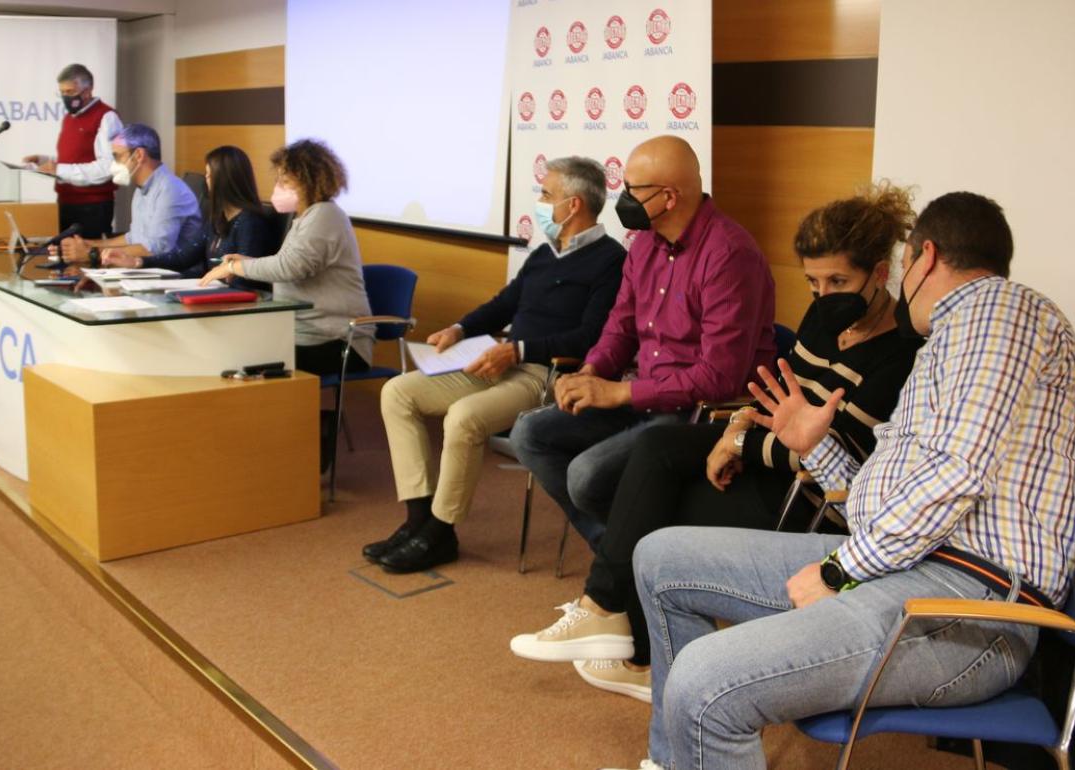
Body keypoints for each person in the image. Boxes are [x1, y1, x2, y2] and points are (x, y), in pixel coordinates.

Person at [606, 191, 1075, 770]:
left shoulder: (994, 311)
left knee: (706, 681)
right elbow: (890, 501)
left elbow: (956, 475)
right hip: (913, 568)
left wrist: (842, 571)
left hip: (968, 608)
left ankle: (698, 741)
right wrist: (818, 447)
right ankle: (679, 759)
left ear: (924, 257)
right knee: (661, 558)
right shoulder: (951, 343)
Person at [510, 185, 925, 703]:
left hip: (808, 497)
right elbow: (775, 394)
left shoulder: (902, 355)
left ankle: (638, 649)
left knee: (650, 519)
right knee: (655, 449)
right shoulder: (825, 315)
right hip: (769, 453)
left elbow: (830, 453)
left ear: (879, 274)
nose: (823, 295)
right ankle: (607, 613)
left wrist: (740, 446)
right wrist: (734, 431)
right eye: (814, 282)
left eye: (838, 280)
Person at [509, 135, 776, 551]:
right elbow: (622, 323)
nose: (624, 198)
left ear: (669, 197)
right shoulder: (644, 243)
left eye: (633, 190)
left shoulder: (729, 254)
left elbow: (718, 377)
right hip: (640, 397)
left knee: (586, 476)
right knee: (529, 432)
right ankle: (619, 551)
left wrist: (617, 392)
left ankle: (625, 558)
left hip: (697, 413)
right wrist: (592, 371)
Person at [368, 156, 627, 574]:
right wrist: (458, 328)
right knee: (398, 392)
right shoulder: (545, 254)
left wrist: (519, 350)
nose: (540, 202)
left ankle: (440, 530)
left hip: (549, 374)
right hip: (500, 363)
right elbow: (504, 303)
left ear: (574, 205)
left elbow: (592, 338)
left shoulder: (611, 261)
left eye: (547, 194)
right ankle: (417, 520)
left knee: (464, 417)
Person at [199, 138, 372, 378]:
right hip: (300, 333)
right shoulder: (306, 218)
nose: (279, 186)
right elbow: (291, 263)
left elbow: (289, 268)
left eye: (286, 180)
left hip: (336, 341)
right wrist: (245, 262)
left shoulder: (325, 215)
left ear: (309, 182)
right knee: (233, 347)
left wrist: (236, 266)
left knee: (243, 355)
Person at [107, 145, 282, 279]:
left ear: (224, 179)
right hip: (213, 296)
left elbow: (246, 278)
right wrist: (138, 262)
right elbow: (183, 258)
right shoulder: (218, 219)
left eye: (208, 175)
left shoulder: (250, 222)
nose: (206, 181)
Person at [56, 124, 206, 269]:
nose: (113, 165)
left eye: (117, 157)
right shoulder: (141, 190)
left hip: (176, 280)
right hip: (148, 274)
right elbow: (134, 238)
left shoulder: (170, 190)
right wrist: (88, 244)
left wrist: (91, 254)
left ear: (139, 155)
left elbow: (155, 250)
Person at [22, 63, 124, 239]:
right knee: (66, 260)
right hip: (66, 202)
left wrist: (59, 170)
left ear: (87, 90)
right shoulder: (69, 118)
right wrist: (44, 160)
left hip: (92, 208)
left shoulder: (106, 117)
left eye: (69, 92)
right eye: (61, 92)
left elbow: (108, 167)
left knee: (87, 262)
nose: (65, 97)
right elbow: (75, 158)